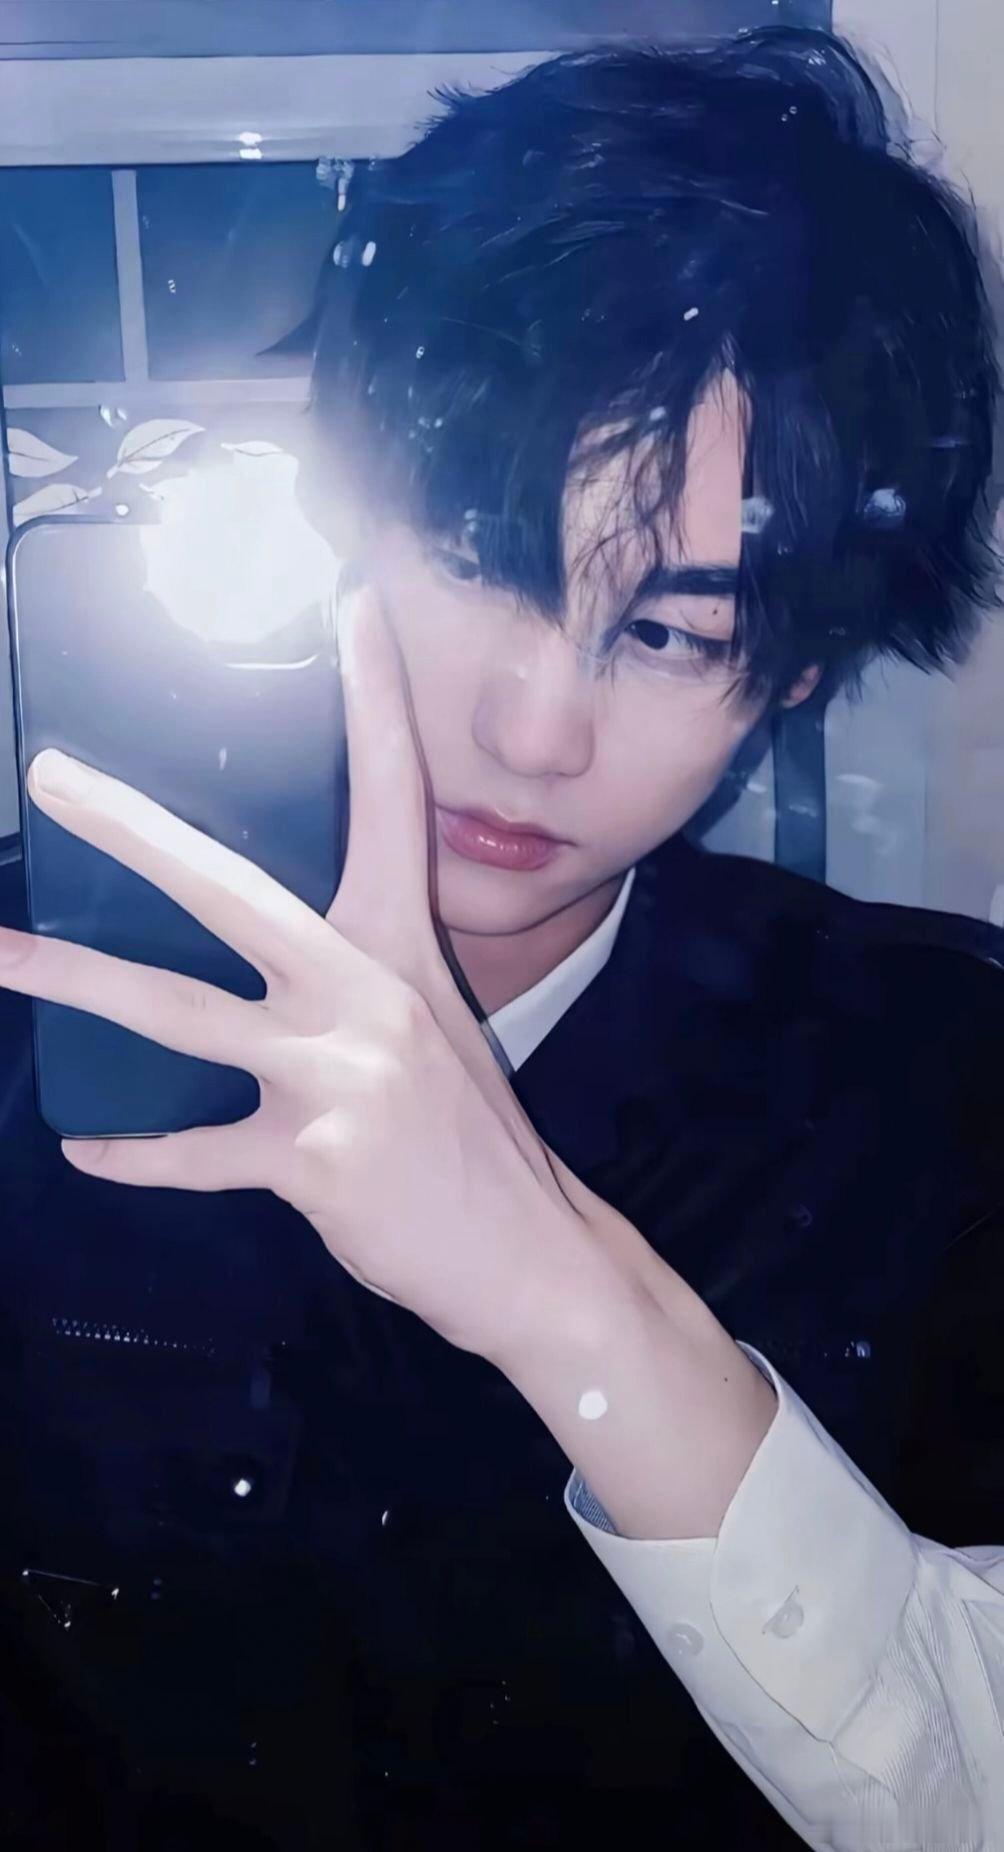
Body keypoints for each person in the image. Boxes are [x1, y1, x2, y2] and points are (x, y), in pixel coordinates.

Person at [0, 22, 1002, 1851]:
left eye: (673, 633)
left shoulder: (942, 1093)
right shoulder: (32, 998)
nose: (537, 732)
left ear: (792, 672)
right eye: (482, 557)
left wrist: (551, 1281)